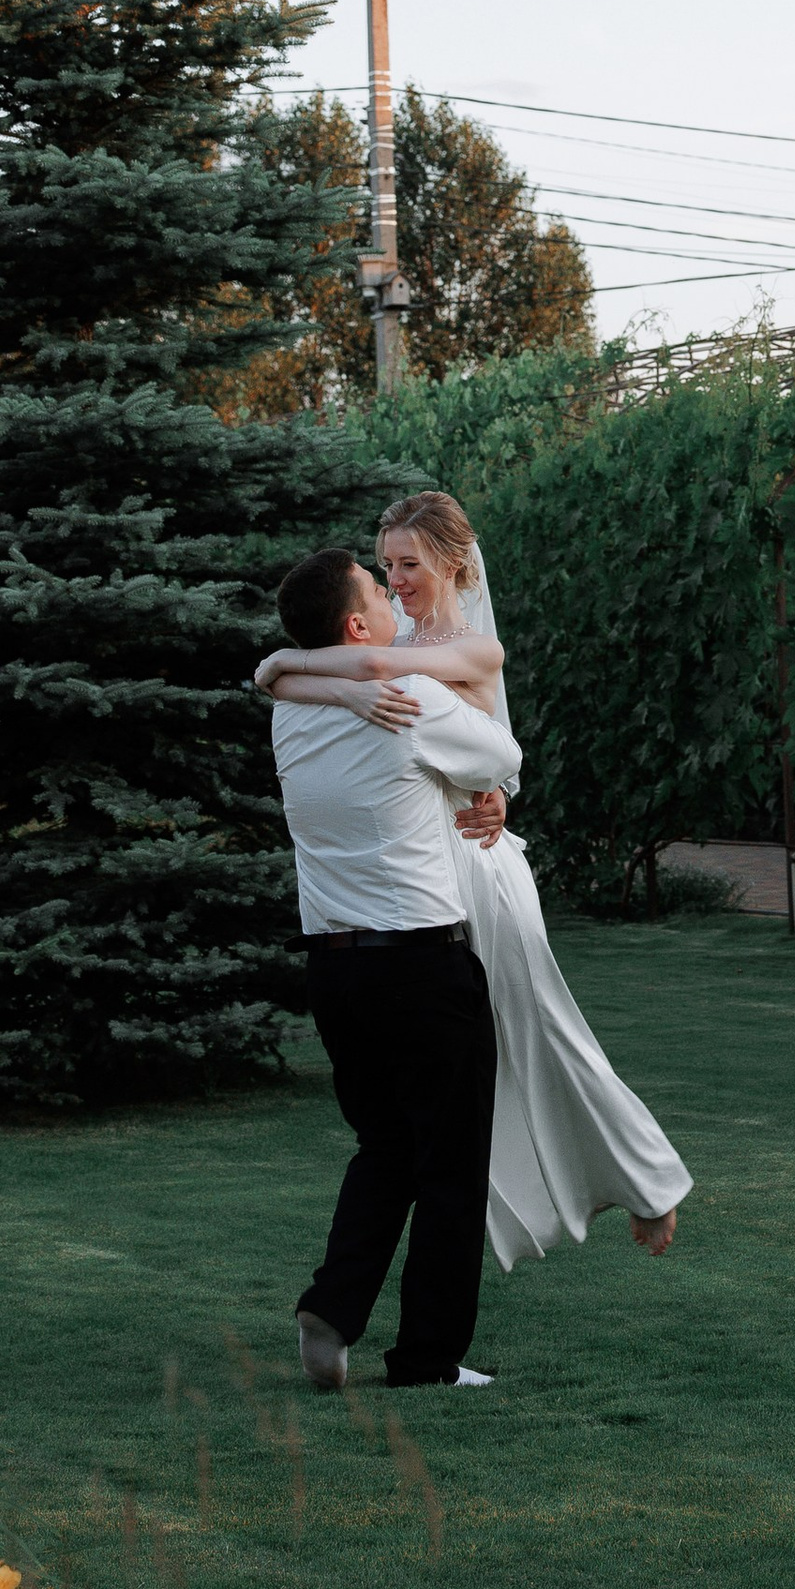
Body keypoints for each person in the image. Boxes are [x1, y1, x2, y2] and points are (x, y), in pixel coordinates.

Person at [256, 488, 693, 1272]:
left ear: (454, 564)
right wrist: (326, 680)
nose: (396, 581)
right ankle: (503, 1216)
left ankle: (650, 1181)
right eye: (385, 565)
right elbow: (313, 674)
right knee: (465, 1079)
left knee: (545, 1030)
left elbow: (349, 674)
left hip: (480, 870)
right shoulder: (381, 643)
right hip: (424, 876)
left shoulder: (468, 650)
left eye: (410, 564)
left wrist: (295, 664)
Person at [265, 541, 521, 1395]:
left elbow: (275, 677)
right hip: (421, 967)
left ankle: (334, 1308)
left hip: (334, 972)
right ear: (355, 623)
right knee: (450, 1168)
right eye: (379, 588)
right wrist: (486, 783)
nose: (392, 597)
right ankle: (425, 1362)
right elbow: (498, 759)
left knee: (384, 1145)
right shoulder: (408, 695)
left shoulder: (292, 710)